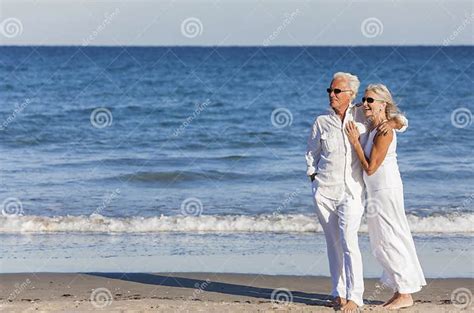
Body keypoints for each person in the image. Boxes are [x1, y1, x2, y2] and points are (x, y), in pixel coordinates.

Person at [305, 73, 407, 312]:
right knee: (333, 243)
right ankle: (338, 293)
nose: (332, 95)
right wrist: (313, 177)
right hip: (324, 191)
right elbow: (311, 153)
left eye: (337, 91)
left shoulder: (362, 112)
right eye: (329, 91)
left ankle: (355, 296)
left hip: (351, 192)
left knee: (349, 241)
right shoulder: (321, 121)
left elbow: (400, 119)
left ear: (350, 95)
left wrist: (392, 123)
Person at [345, 84, 426, 310]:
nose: (366, 104)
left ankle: (405, 292)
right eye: (364, 99)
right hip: (375, 190)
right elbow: (401, 119)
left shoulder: (384, 131)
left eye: (371, 100)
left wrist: (354, 143)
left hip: (385, 189)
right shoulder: (375, 126)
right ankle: (400, 289)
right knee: (381, 240)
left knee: (391, 238)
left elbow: (370, 168)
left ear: (383, 104)